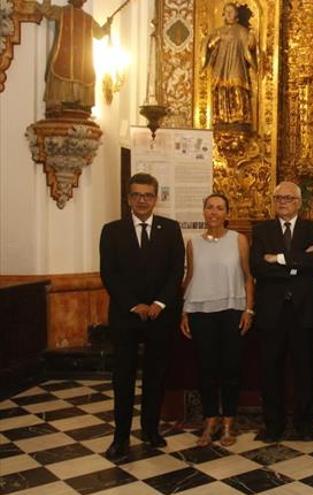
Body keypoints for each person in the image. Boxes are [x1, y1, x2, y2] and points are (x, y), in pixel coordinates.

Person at [99, 173, 184, 459]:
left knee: (156, 375)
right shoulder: (111, 230)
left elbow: (176, 271)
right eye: (136, 195)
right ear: (128, 199)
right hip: (126, 316)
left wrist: (159, 303)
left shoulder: (170, 229)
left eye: (148, 195)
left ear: (155, 198)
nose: (142, 200)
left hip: (161, 315)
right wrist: (134, 305)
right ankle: (120, 438)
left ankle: (151, 430)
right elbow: (109, 274)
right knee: (122, 377)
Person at [250, 181, 313, 443]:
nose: (282, 202)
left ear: (299, 202)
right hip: (272, 312)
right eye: (278, 198)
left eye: (288, 198)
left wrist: (279, 259)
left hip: (304, 311)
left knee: (305, 369)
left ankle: (305, 423)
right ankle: (274, 423)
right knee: (271, 370)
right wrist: (296, 261)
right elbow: (258, 267)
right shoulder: (261, 230)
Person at [180, 193, 255, 447]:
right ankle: (210, 419)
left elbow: (247, 276)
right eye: (209, 207)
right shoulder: (193, 243)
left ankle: (228, 421)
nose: (213, 212)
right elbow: (190, 278)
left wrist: (249, 309)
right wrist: (183, 311)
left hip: (232, 310)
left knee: (231, 368)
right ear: (203, 211)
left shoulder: (238, 240)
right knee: (207, 369)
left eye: (219, 208)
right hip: (201, 312)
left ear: (227, 213)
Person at [36, 0, 112, 115]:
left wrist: (107, 25)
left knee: (83, 79)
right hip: (63, 60)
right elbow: (46, 11)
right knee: (61, 74)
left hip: (82, 66)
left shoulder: (88, 19)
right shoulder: (61, 12)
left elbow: (100, 33)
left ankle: (81, 104)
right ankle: (60, 102)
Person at [203, 2, 258, 128]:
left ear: (236, 14)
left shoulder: (242, 30)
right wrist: (216, 40)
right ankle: (221, 116)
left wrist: (252, 41)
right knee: (221, 89)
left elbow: (249, 48)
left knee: (237, 87)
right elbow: (209, 47)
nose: (228, 14)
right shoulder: (218, 31)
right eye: (226, 11)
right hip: (221, 65)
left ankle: (239, 116)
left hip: (235, 63)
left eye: (231, 11)